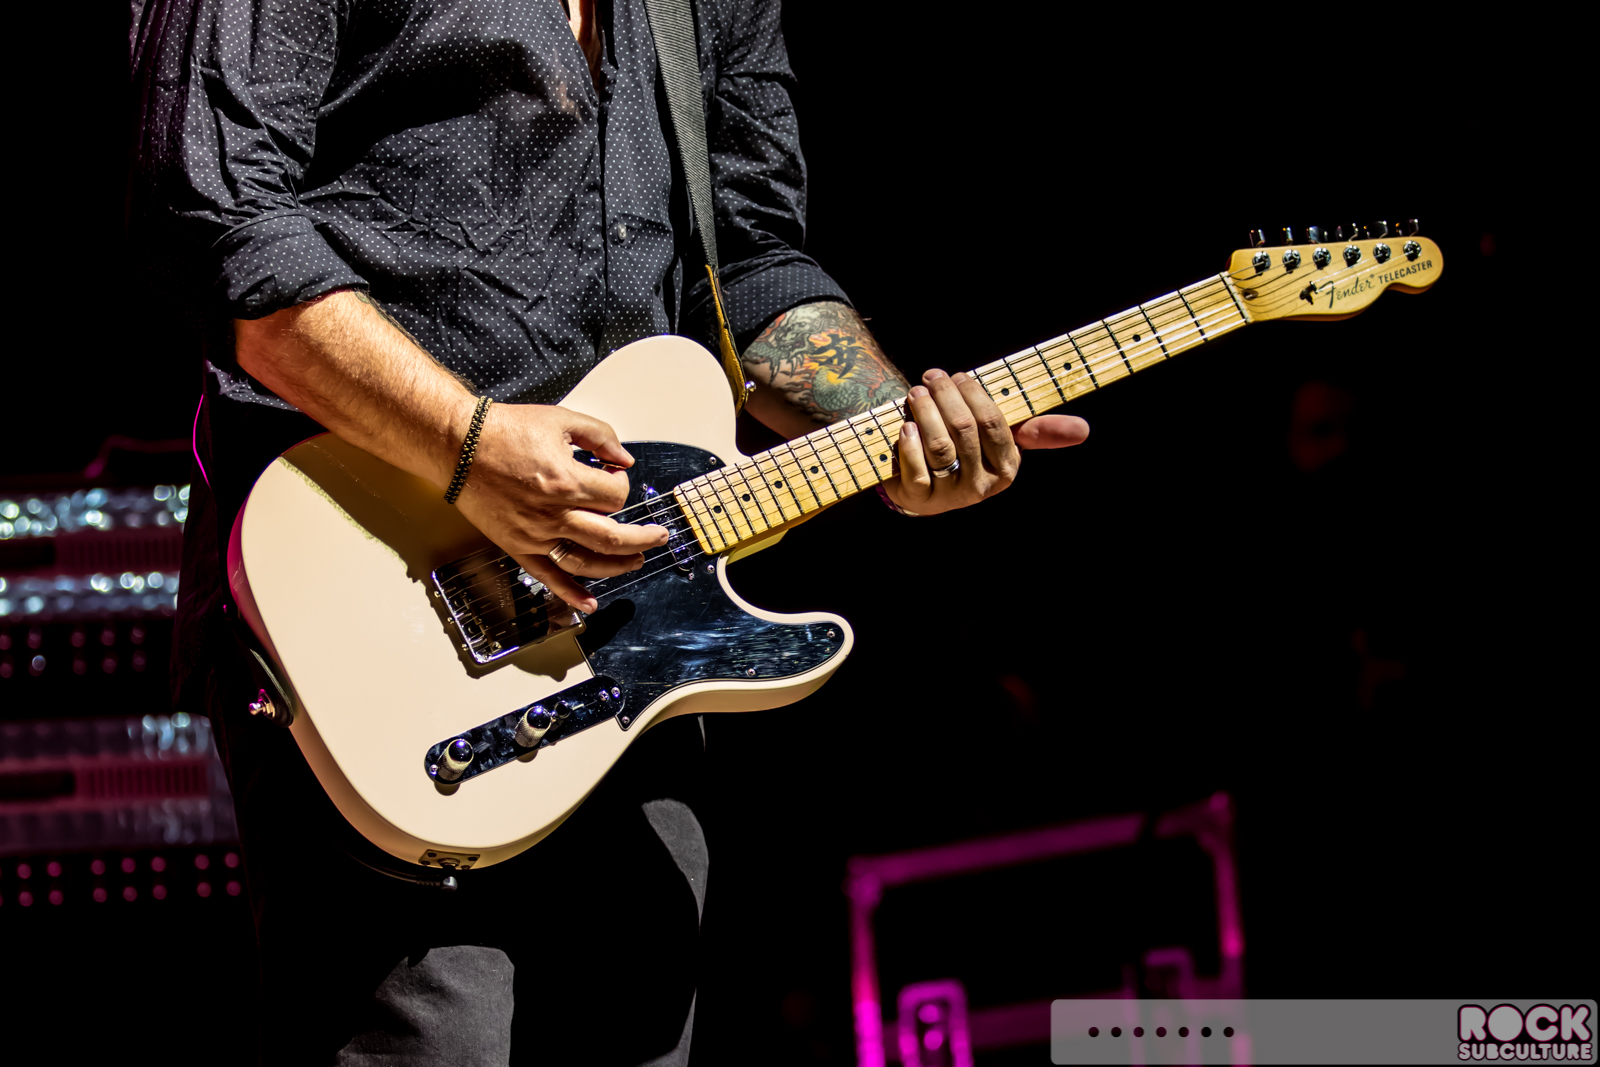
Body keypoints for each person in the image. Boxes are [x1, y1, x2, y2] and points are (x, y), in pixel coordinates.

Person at [130, 0, 1089, 1062]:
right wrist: (469, 446)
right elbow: (213, 213)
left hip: (633, 634)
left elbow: (746, 266)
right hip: (371, 606)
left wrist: (894, 426)